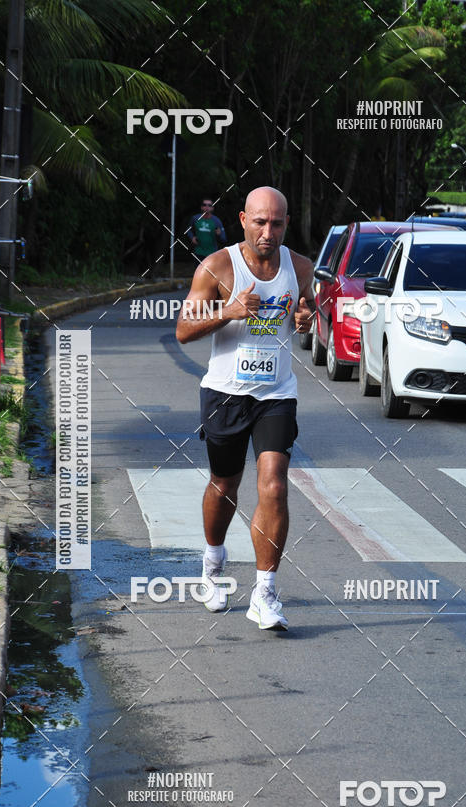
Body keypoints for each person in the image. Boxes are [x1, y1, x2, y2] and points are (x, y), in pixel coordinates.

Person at [175, 187, 313, 630]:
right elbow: (183, 330)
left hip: (276, 394)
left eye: (275, 223)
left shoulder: (301, 268)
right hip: (225, 394)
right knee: (224, 485)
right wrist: (229, 310)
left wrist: (307, 317)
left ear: (285, 223)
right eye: (259, 222)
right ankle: (213, 565)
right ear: (242, 220)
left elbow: (308, 309)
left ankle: (265, 593)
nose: (267, 232)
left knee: (273, 485)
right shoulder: (216, 267)